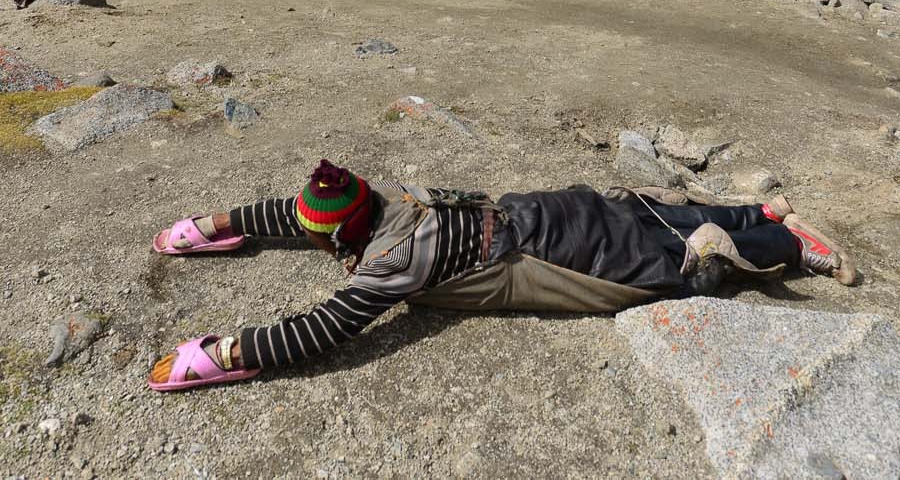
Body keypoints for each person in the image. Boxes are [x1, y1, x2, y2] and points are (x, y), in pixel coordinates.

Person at [148, 159, 857, 392]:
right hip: (550, 211)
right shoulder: (387, 203)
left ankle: (786, 243)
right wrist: (214, 224)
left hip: (566, 261)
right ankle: (758, 206)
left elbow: (321, 329)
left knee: (683, 268)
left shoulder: (390, 267)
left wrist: (223, 354)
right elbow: (298, 212)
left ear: (342, 236)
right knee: (651, 212)